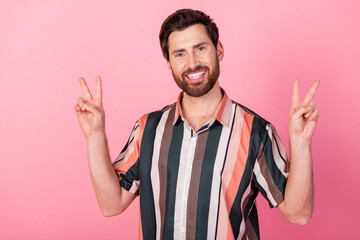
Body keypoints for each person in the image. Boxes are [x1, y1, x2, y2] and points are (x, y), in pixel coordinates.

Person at [74, 9, 319, 240]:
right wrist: (95, 135)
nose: (192, 63)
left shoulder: (256, 132)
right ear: (169, 64)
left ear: (218, 50)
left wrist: (301, 142)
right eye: (180, 53)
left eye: (200, 48)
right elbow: (111, 204)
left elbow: (298, 213)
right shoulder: (147, 129)